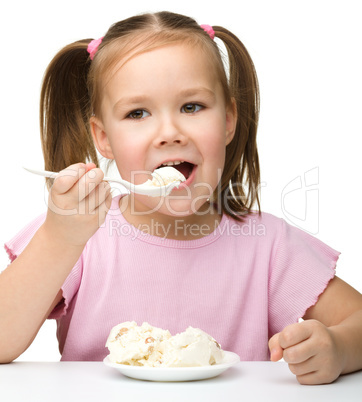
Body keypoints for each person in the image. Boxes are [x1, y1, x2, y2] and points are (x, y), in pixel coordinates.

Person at [1, 11, 361, 385]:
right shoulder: (76, 234)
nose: (169, 132)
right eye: (137, 113)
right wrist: (59, 240)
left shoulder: (269, 245)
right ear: (103, 138)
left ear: (228, 120)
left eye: (192, 107)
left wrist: (337, 347)